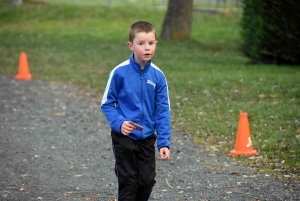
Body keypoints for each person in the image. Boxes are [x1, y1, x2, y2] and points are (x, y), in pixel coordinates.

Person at [100, 21, 171, 201]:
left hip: (147, 138)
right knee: (128, 182)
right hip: (124, 137)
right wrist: (120, 123)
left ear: (156, 44)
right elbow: (107, 104)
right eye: (141, 44)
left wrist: (163, 142)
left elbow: (163, 110)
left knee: (146, 181)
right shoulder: (119, 72)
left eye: (151, 43)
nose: (147, 48)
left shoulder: (158, 76)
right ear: (131, 46)